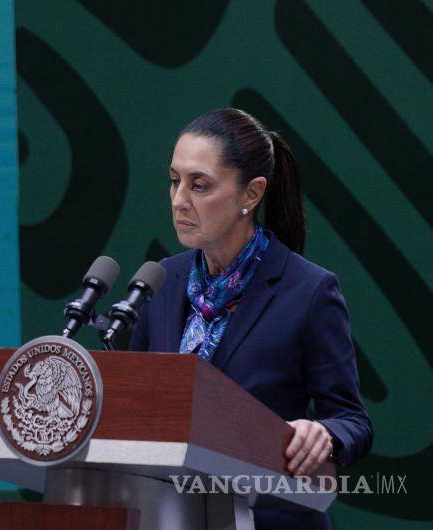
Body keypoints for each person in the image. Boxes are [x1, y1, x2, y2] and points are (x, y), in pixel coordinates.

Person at [130, 108, 373, 529]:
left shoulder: (309, 290)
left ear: (251, 194)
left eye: (199, 184)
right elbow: (128, 404)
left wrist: (325, 435)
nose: (178, 200)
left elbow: (353, 421)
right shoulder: (161, 281)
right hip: (162, 514)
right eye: (174, 180)